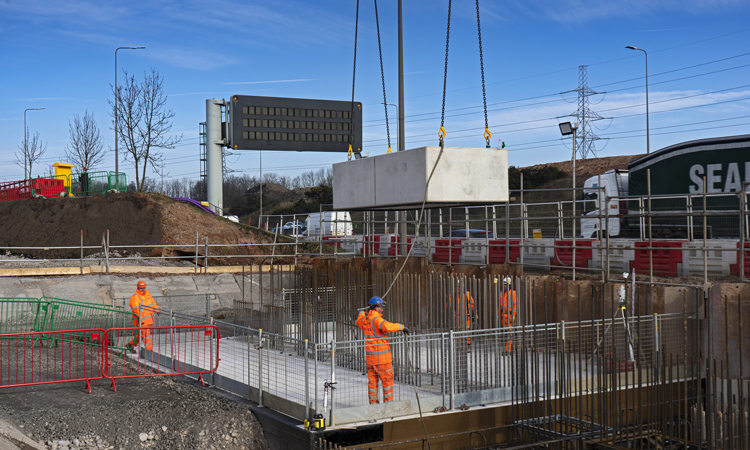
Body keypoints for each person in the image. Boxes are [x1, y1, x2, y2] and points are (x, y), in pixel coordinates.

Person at [356, 297, 409, 404]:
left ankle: (374, 406)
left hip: (370, 360)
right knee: (387, 382)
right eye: (381, 307)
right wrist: (402, 327)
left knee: (372, 383)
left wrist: (361, 313)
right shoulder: (377, 320)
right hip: (382, 360)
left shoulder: (365, 320)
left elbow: (359, 320)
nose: (382, 309)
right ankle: (388, 405)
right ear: (375, 307)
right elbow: (387, 326)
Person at [126, 280, 160, 352]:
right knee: (146, 336)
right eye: (141, 288)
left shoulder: (148, 295)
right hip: (142, 321)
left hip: (149, 320)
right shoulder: (135, 297)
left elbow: (153, 303)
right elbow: (136, 310)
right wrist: (141, 320)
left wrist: (157, 310)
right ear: (137, 288)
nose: (143, 289)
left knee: (141, 335)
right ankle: (149, 351)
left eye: (144, 287)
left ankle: (130, 344)